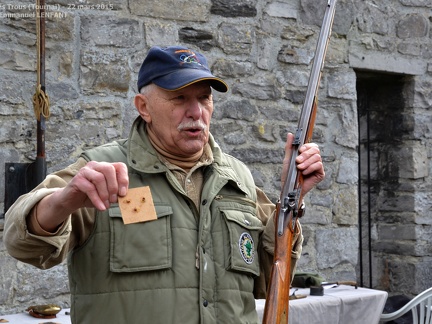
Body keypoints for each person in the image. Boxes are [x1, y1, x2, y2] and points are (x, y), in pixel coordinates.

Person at [4, 45, 325, 324]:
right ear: (143, 107)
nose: (196, 111)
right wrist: (65, 200)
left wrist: (292, 196)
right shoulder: (101, 170)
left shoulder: (238, 178)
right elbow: (22, 243)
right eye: (179, 98)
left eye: (204, 98)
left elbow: (268, 279)